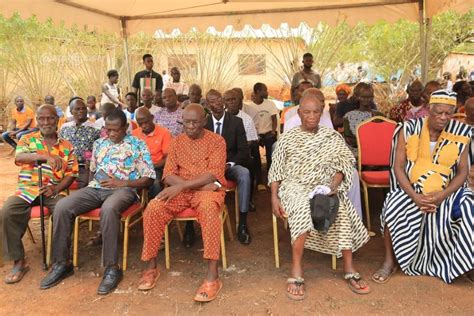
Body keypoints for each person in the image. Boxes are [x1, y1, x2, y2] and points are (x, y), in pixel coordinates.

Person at [40, 109, 155, 295]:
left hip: (124, 190)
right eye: (108, 129)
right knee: (62, 206)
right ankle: (62, 263)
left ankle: (112, 268)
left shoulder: (137, 144)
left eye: (115, 130)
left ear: (126, 127)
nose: (111, 134)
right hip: (96, 189)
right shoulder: (99, 143)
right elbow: (92, 170)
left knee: (109, 209)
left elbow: (149, 178)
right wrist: (89, 187)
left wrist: (123, 182)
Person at [269, 94, 371, 300]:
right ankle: (297, 268)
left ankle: (349, 267)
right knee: (300, 209)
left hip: (323, 186)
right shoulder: (287, 138)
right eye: (306, 112)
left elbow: (343, 164)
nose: (312, 116)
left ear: (322, 113)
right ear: (299, 113)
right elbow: (276, 170)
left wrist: (334, 185)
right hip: (294, 186)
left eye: (316, 112)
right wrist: (274, 197)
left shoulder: (331, 137)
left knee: (341, 209)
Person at [372, 90, 473, 284]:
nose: (444, 118)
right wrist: (415, 196)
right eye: (439, 113)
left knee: (469, 206)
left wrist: (442, 195)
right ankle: (389, 261)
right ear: (429, 110)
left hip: (447, 191)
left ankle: (465, 262)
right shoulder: (409, 128)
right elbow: (398, 167)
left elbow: (462, 172)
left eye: (448, 113)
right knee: (392, 203)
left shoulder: (461, 132)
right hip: (411, 190)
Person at [138, 104, 227, 303]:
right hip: (187, 189)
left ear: (204, 121)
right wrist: (187, 186)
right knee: (153, 208)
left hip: (203, 193)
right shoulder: (177, 142)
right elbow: (168, 174)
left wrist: (183, 185)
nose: (191, 126)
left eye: (195, 122)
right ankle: (151, 267)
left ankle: (213, 277)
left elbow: (213, 174)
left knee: (209, 210)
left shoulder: (217, 141)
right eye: (186, 122)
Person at [1, 104, 78, 284]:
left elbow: (71, 174)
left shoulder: (67, 146)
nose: (45, 122)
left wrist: (56, 189)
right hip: (27, 189)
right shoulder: (27, 139)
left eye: (50, 118)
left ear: (57, 120)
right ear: (37, 120)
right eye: (41, 118)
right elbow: (20, 157)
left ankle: (60, 260)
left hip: (52, 190)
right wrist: (46, 156)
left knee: (64, 209)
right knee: (7, 211)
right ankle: (19, 262)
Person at [205, 90, 252, 244]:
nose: (217, 103)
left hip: (230, 165)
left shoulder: (236, 122)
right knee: (190, 174)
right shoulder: (204, 124)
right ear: (207, 105)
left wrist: (228, 164)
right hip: (209, 168)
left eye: (220, 99)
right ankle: (191, 227)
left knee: (244, 173)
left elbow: (244, 151)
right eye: (213, 101)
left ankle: (243, 223)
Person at [224, 89, 258, 212]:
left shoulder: (246, 119)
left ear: (239, 101)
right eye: (228, 100)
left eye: (234, 99)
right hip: (222, 155)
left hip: (240, 154)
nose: (232, 103)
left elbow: (251, 141)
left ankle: (248, 200)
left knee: (250, 164)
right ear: (224, 103)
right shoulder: (220, 118)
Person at [59, 98, 100, 188]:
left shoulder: (96, 128)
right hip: (66, 165)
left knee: (84, 183)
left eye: (83, 108)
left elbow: (101, 149)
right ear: (71, 111)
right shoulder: (65, 127)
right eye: (77, 109)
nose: (81, 111)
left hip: (85, 166)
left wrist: (91, 160)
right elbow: (59, 146)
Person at [243, 83, 278, 187]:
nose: (267, 92)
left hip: (268, 134)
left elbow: (274, 119)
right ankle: (259, 181)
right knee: (256, 158)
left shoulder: (270, 104)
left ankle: (271, 179)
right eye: (265, 90)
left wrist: (273, 131)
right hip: (255, 135)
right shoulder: (250, 107)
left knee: (271, 157)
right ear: (258, 91)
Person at [132, 107, 171, 198]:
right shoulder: (134, 134)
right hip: (136, 168)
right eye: (140, 124)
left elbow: (168, 157)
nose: (144, 126)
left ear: (152, 117)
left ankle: (153, 206)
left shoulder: (164, 133)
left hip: (156, 167)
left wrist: (151, 166)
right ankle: (135, 205)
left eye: (146, 122)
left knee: (156, 183)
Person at [343, 84, 384, 158]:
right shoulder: (349, 116)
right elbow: (348, 139)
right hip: (355, 152)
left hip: (377, 151)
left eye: (369, 97)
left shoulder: (380, 116)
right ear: (358, 97)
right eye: (363, 97)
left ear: (372, 97)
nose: (367, 100)